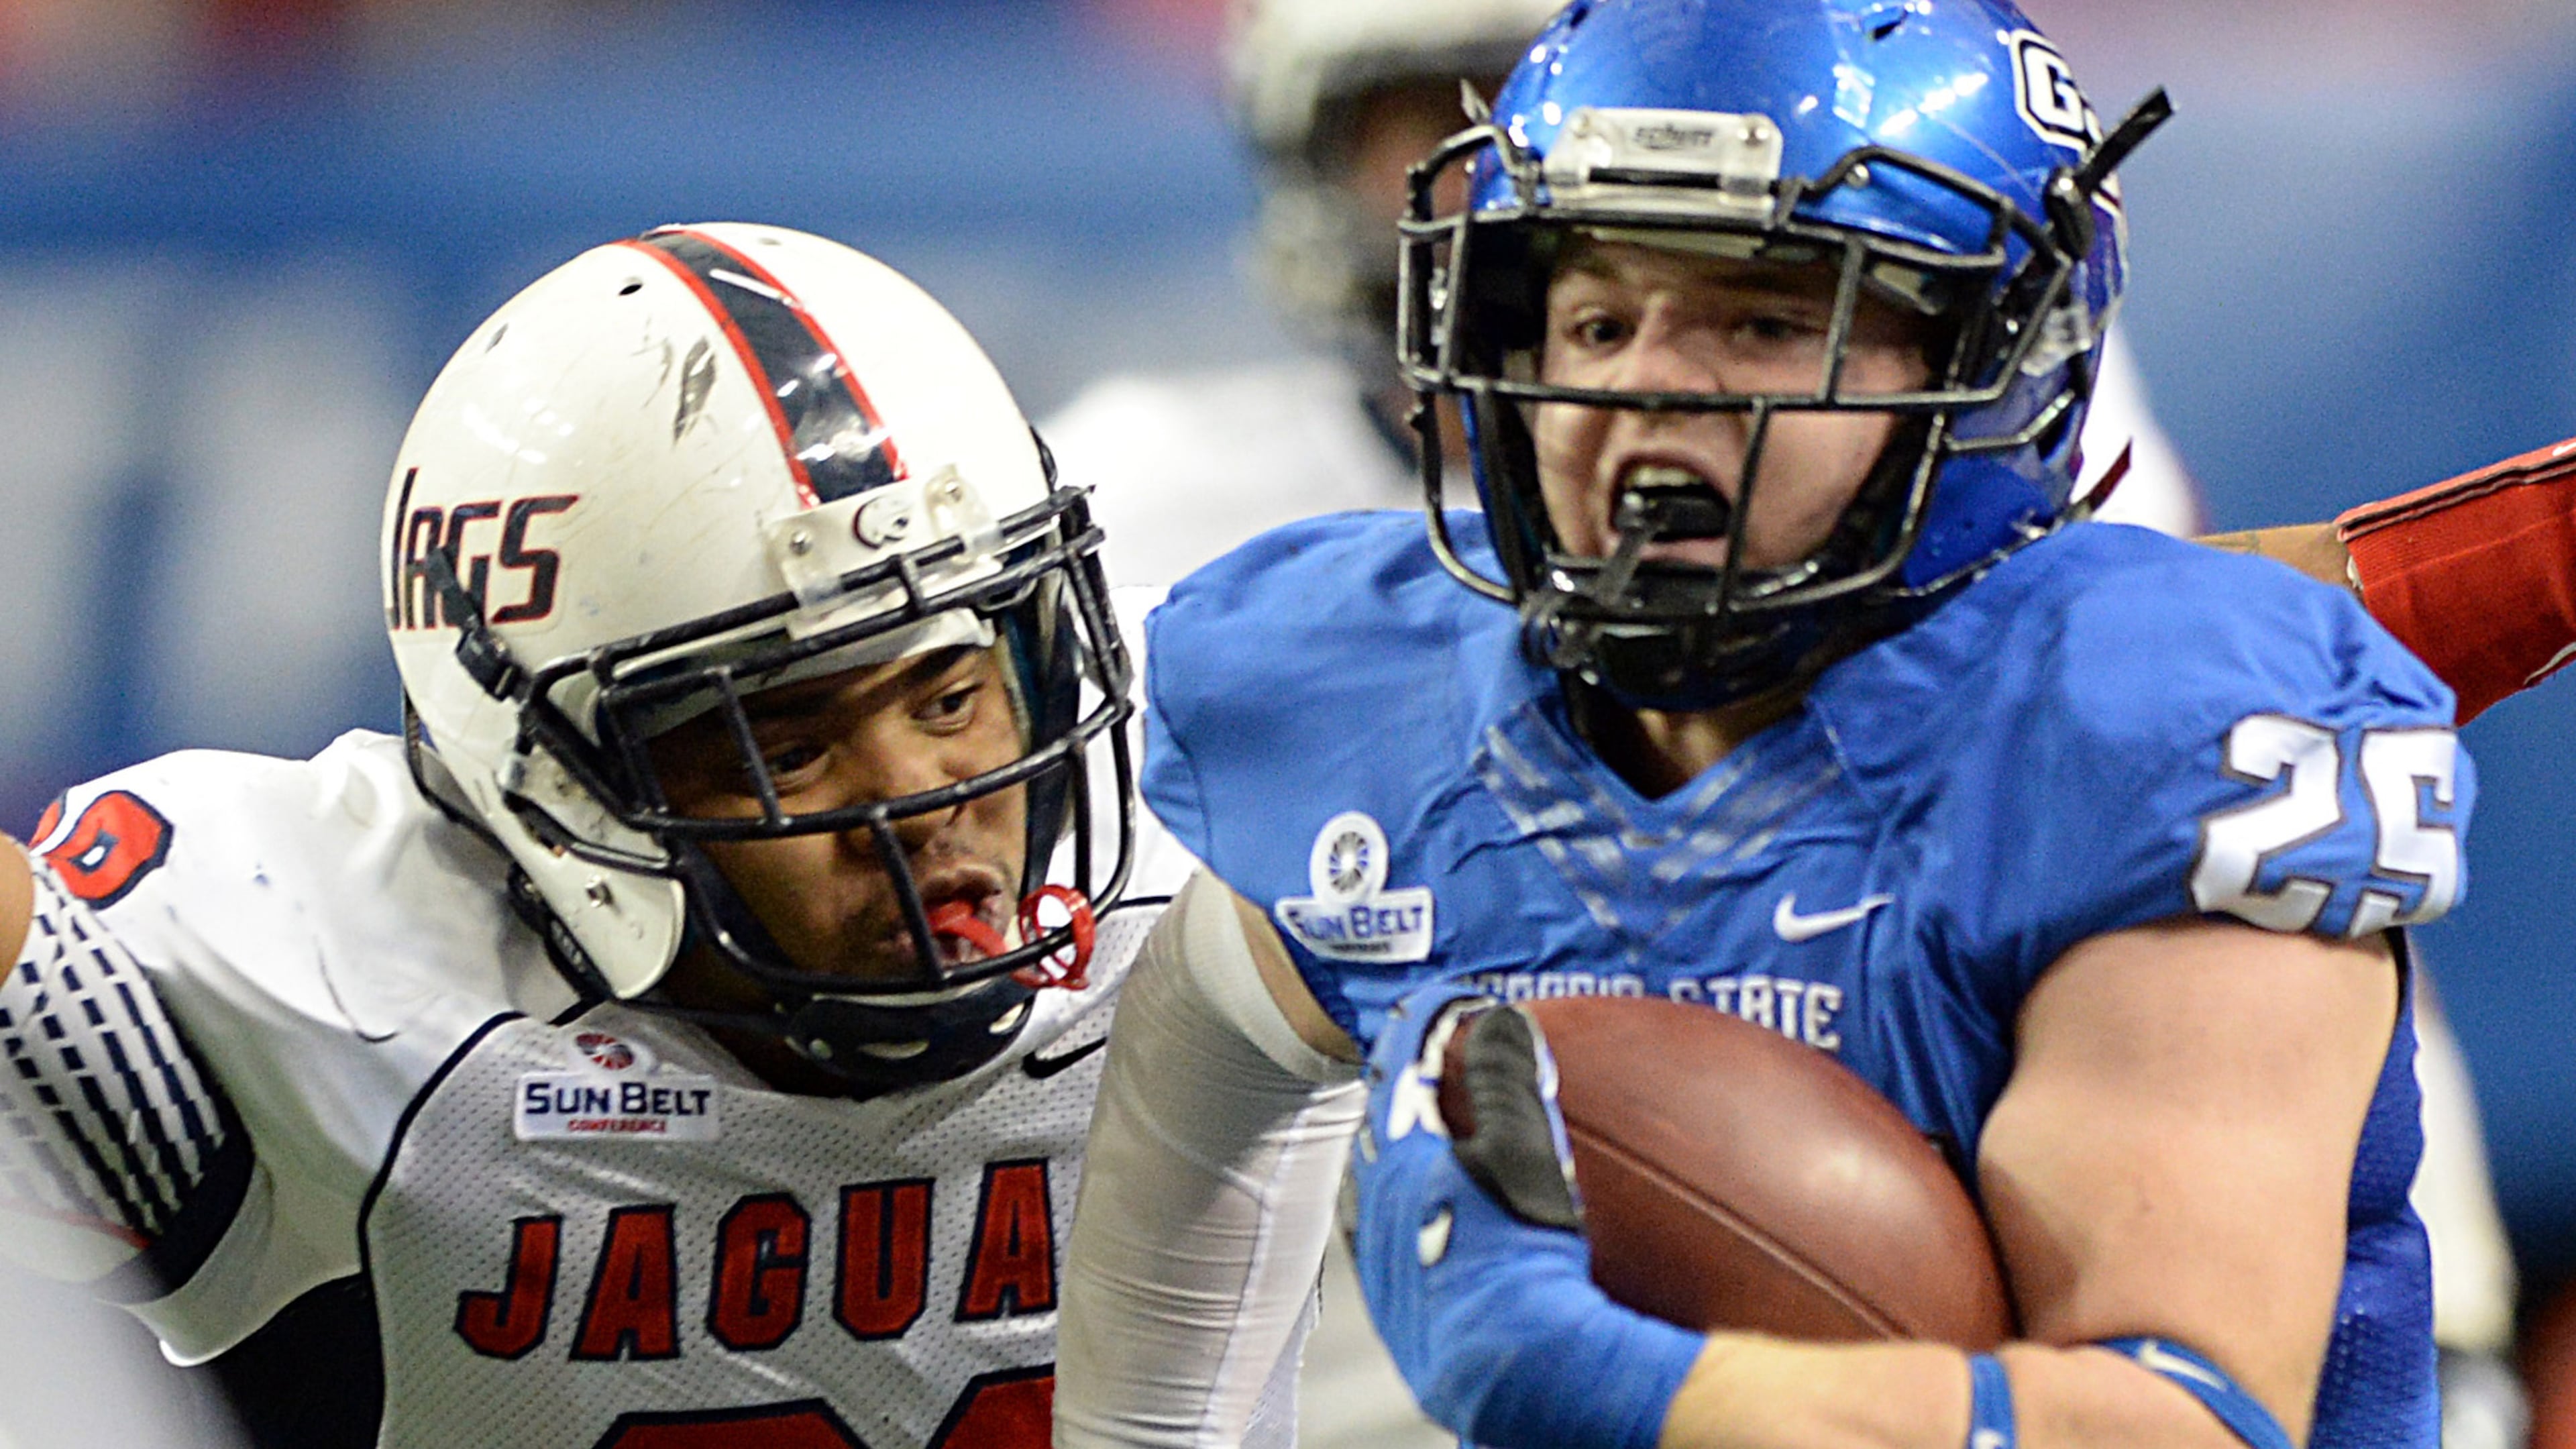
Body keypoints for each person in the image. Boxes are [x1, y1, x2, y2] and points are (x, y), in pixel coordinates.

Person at [1054, 3, 2489, 1446]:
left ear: (1985, 359)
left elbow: (2181, 1427)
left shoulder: (2139, 732)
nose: (1644, 390)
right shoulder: (1380, 699)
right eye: (1597, 320)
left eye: (1763, 319)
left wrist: (1617, 1385)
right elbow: (1188, 1103)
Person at [0, 223, 1197, 1449]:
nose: (918, 799)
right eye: (782, 748)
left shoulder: (1223, 808)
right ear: (561, 785)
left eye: (948, 698)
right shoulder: (348, 970)